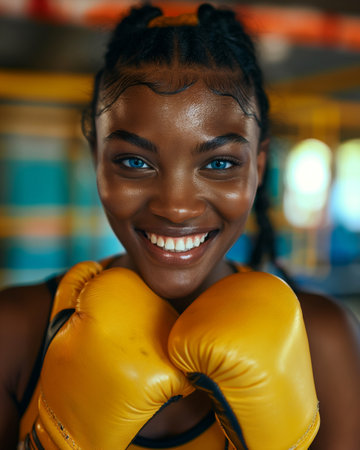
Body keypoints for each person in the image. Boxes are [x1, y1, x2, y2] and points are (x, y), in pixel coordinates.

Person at [0, 3, 359, 449]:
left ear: (259, 166)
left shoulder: (322, 339)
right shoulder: (17, 332)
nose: (176, 207)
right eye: (134, 161)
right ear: (97, 160)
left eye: (221, 162)